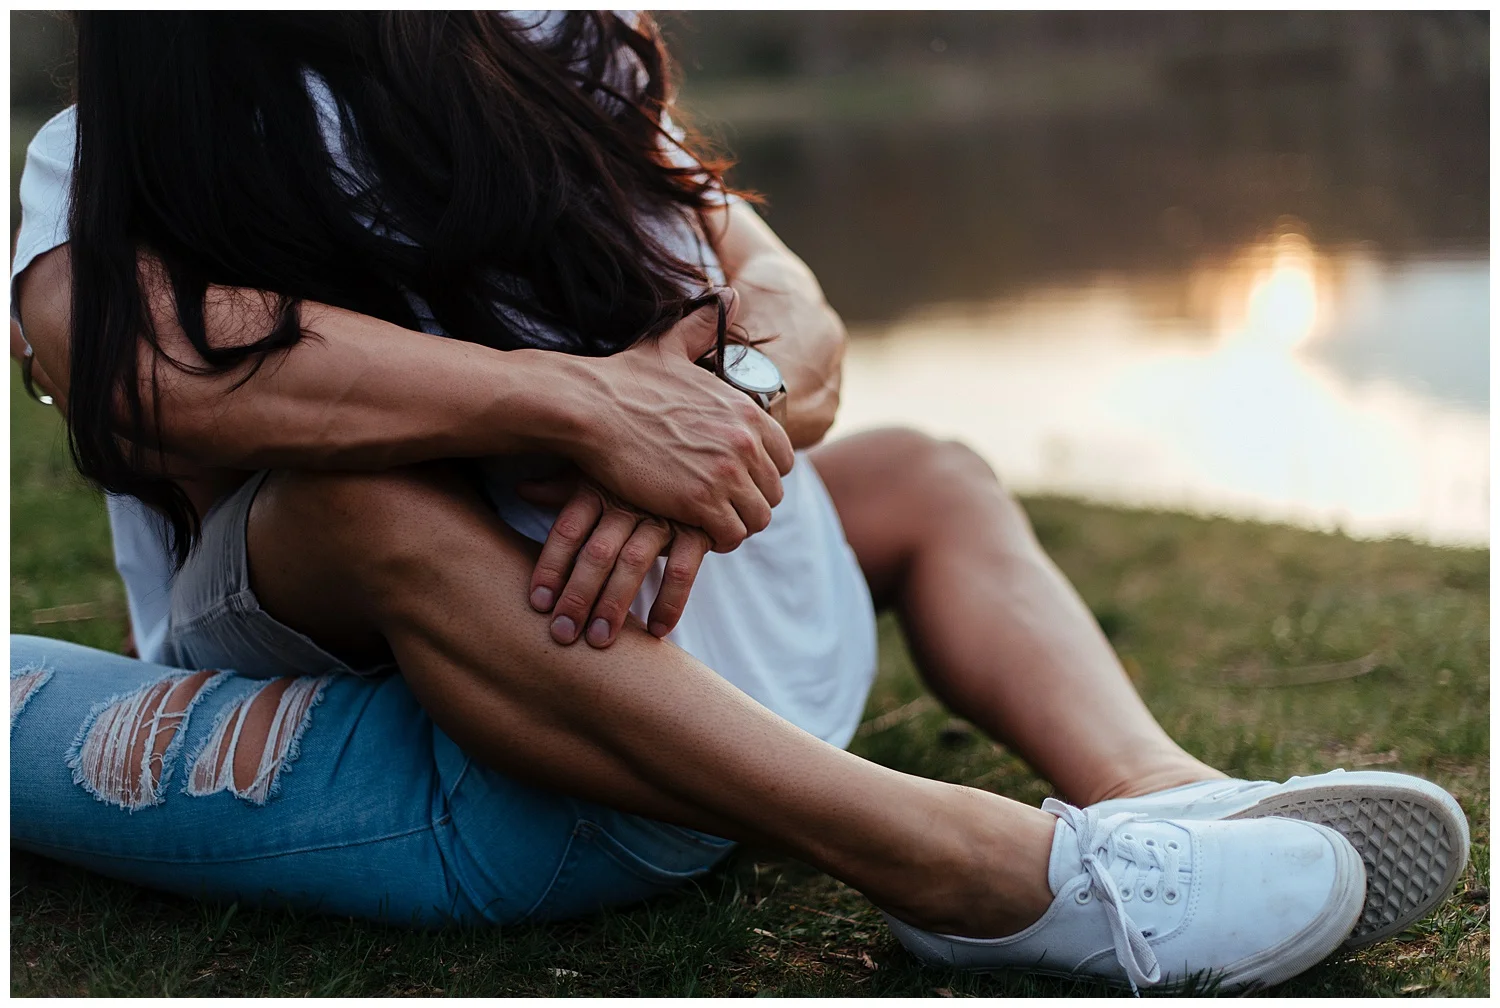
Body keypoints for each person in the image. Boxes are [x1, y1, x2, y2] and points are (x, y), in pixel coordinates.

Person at [10, 12, 1467, 993]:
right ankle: (965, 869)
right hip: (385, 654)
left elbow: (779, 297)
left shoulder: (553, 44)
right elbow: (136, 365)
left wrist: (715, 420)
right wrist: (580, 407)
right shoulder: (110, 151)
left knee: (924, 477)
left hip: (664, 619)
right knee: (371, 506)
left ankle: (1164, 795)